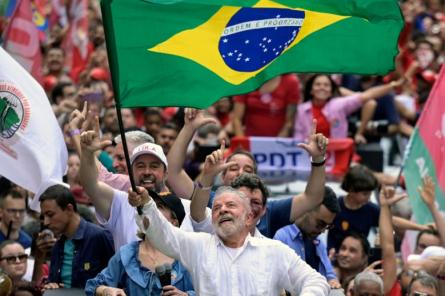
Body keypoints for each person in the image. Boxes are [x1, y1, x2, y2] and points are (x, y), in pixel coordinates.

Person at [130, 186, 330, 295]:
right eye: (216, 208)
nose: (223, 209)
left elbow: (315, 281)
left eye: (230, 205)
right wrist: (146, 204)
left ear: (249, 218)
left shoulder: (274, 250)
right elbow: (163, 234)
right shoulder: (198, 246)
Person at [168, 108, 328, 238]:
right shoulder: (208, 199)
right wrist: (189, 128)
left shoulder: (268, 210)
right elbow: (173, 174)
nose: (241, 173)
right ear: (222, 177)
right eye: (233, 168)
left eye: (248, 170)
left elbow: (312, 198)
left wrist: (318, 159)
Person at [85, 193, 195, 296]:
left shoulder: (186, 257)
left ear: (174, 221)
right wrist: (106, 290)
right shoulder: (127, 254)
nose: (149, 209)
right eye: (146, 205)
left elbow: (208, 290)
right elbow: (93, 286)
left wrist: (186, 295)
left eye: (159, 206)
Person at [327, 165, 430, 252]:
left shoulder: (370, 209)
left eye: (370, 193)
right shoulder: (335, 206)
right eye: (365, 194)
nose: (368, 197)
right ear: (351, 190)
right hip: (333, 256)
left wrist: (421, 228)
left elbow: (393, 221)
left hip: (360, 259)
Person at [37, 185, 114, 290]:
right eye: (43, 217)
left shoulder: (98, 237)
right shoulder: (57, 247)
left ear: (69, 209)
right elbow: (53, 283)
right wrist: (51, 287)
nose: (46, 222)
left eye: (50, 215)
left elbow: (117, 279)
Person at [293, 74, 405, 141]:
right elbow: (298, 137)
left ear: (331, 91)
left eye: (326, 85)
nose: (322, 88)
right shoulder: (302, 110)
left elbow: (367, 96)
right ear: (311, 90)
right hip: (309, 158)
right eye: (318, 84)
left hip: (337, 156)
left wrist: (392, 85)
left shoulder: (339, 104)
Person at [274, 186, 341, 289]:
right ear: (306, 209)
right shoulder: (280, 237)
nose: (323, 231)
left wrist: (333, 282)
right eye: (320, 223)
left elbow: (330, 276)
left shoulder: (318, 241)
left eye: (327, 226)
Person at [232, 74, 300, 137]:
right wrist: (243, 144)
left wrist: (276, 145)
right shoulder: (246, 79)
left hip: (279, 142)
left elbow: (289, 123)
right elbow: (237, 119)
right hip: (249, 141)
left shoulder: (291, 81)